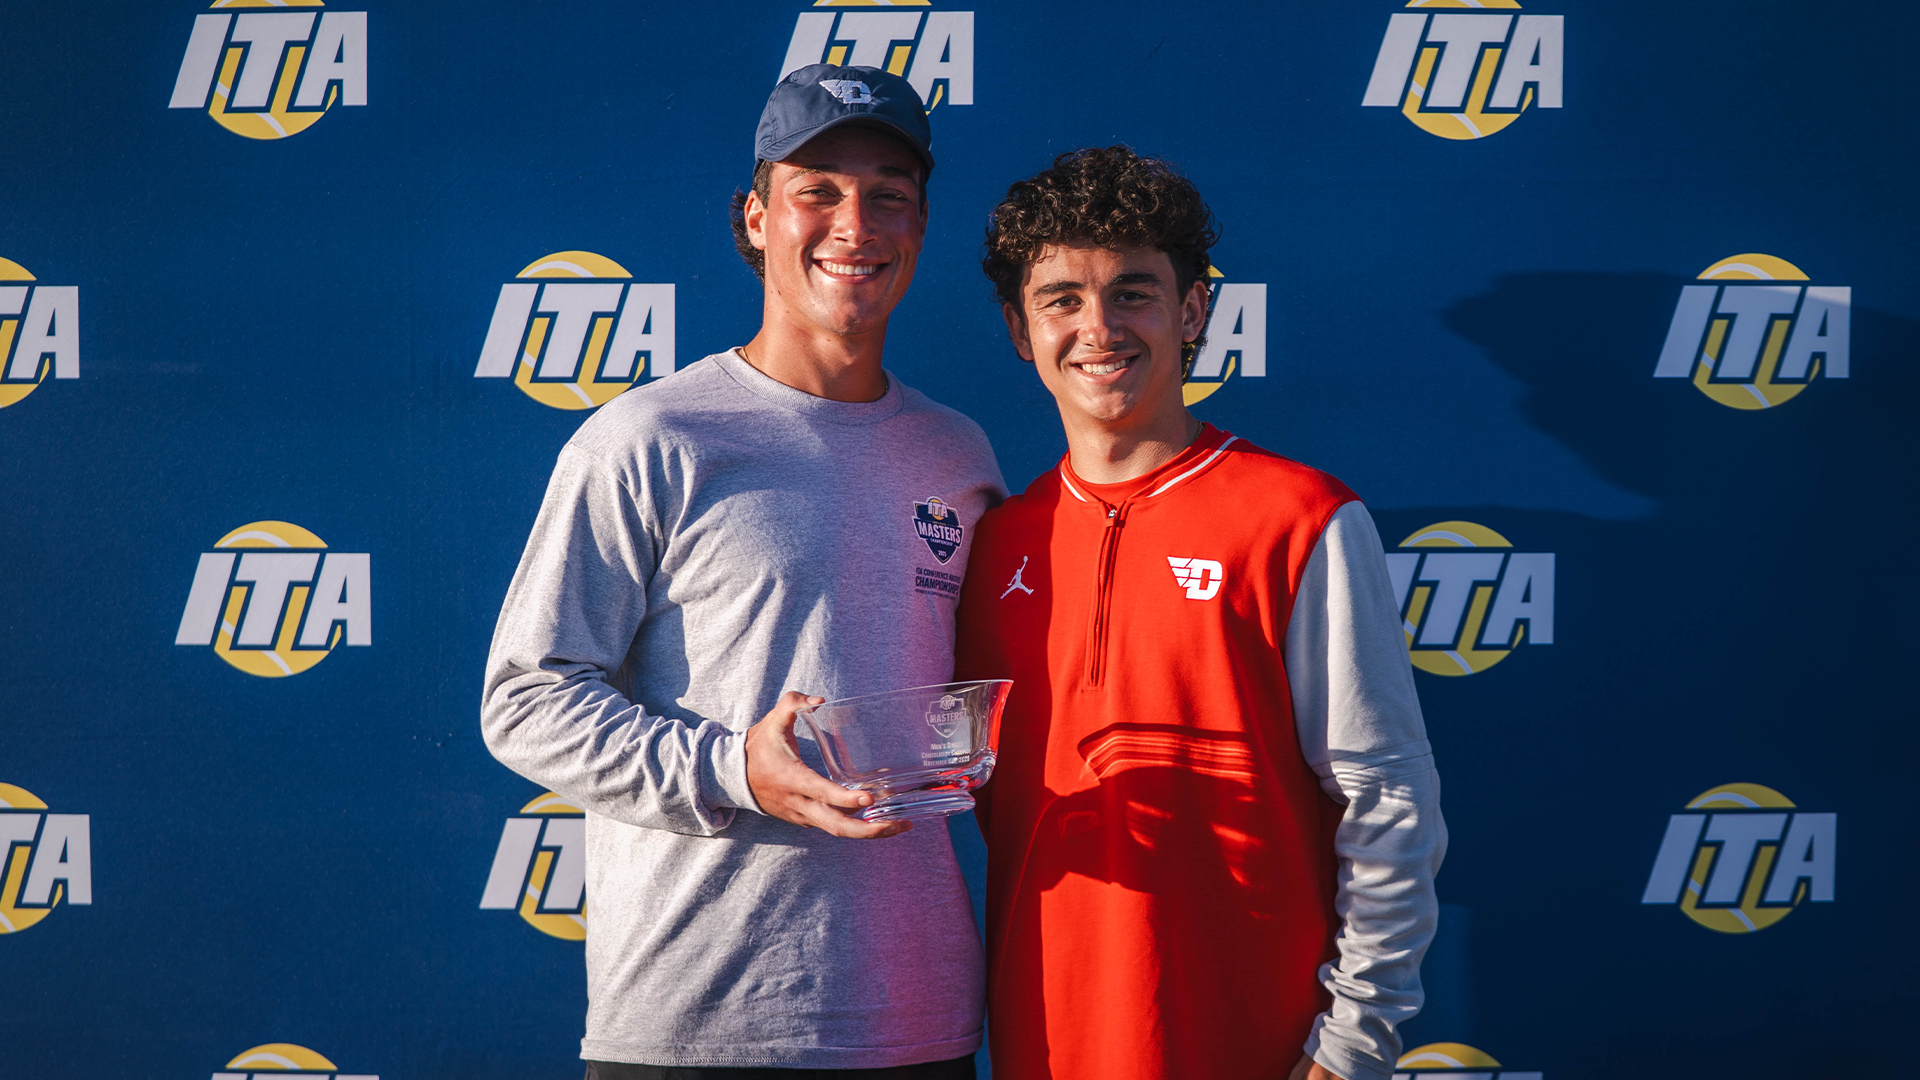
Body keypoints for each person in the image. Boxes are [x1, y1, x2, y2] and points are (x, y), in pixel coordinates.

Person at [481, 65, 1003, 1080]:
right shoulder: (650, 437)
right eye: (817, 190)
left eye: (888, 194)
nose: (855, 223)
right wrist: (732, 769)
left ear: (922, 228)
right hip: (700, 1022)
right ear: (756, 217)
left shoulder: (960, 455)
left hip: (921, 1021)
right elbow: (526, 701)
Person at [955, 147, 1445, 1080]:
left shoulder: (1299, 519)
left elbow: (1386, 800)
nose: (1098, 327)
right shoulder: (994, 544)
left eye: (1132, 292)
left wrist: (1350, 1050)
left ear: (1192, 312)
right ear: (1021, 328)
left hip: (1263, 1049)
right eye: (1061, 299)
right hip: (1044, 1046)